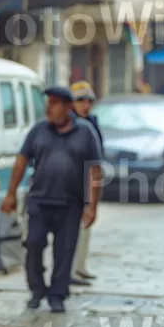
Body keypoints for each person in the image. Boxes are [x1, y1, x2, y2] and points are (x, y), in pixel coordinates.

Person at [0, 86, 102, 313]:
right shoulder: (38, 131)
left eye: (55, 103)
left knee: (65, 251)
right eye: (48, 103)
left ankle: (57, 294)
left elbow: (95, 171)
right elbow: (21, 161)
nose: (49, 108)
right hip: (39, 200)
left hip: (70, 203)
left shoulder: (85, 133)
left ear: (68, 107)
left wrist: (91, 206)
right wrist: (10, 194)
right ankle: (37, 289)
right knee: (34, 243)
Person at [70, 81, 104, 286]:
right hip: (70, 183)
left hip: (87, 180)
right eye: (80, 100)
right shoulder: (69, 123)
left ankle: (80, 266)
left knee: (85, 227)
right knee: (71, 230)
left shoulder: (91, 123)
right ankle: (71, 270)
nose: (85, 105)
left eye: (89, 100)